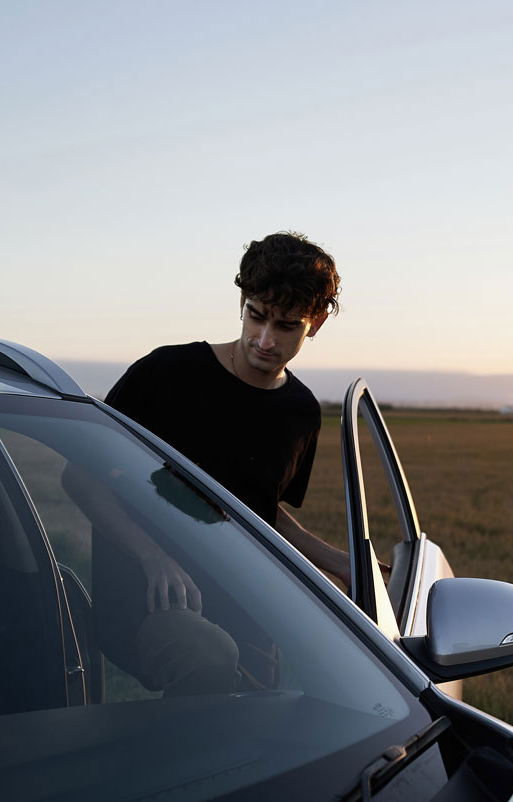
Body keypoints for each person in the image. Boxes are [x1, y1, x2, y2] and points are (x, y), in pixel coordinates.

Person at [63, 232, 354, 695]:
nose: (264, 340)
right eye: (256, 316)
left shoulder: (301, 412)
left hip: (239, 596)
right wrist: (152, 556)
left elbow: (259, 509)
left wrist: (342, 562)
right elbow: (80, 477)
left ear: (314, 323)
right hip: (148, 597)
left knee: (305, 698)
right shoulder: (165, 374)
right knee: (210, 662)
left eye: (286, 326)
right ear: (241, 299)